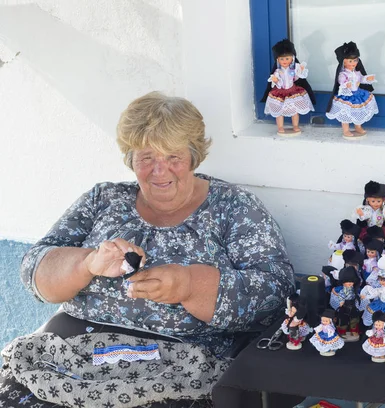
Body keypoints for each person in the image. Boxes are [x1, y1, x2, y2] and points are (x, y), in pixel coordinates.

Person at [2, 92, 295, 407]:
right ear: (130, 158)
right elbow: (35, 271)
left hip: (178, 370)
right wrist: (88, 263)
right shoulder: (104, 200)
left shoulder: (232, 207)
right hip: (71, 357)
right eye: (147, 158)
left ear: (195, 156)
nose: (160, 171)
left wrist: (188, 285)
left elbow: (275, 294)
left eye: (173, 157)